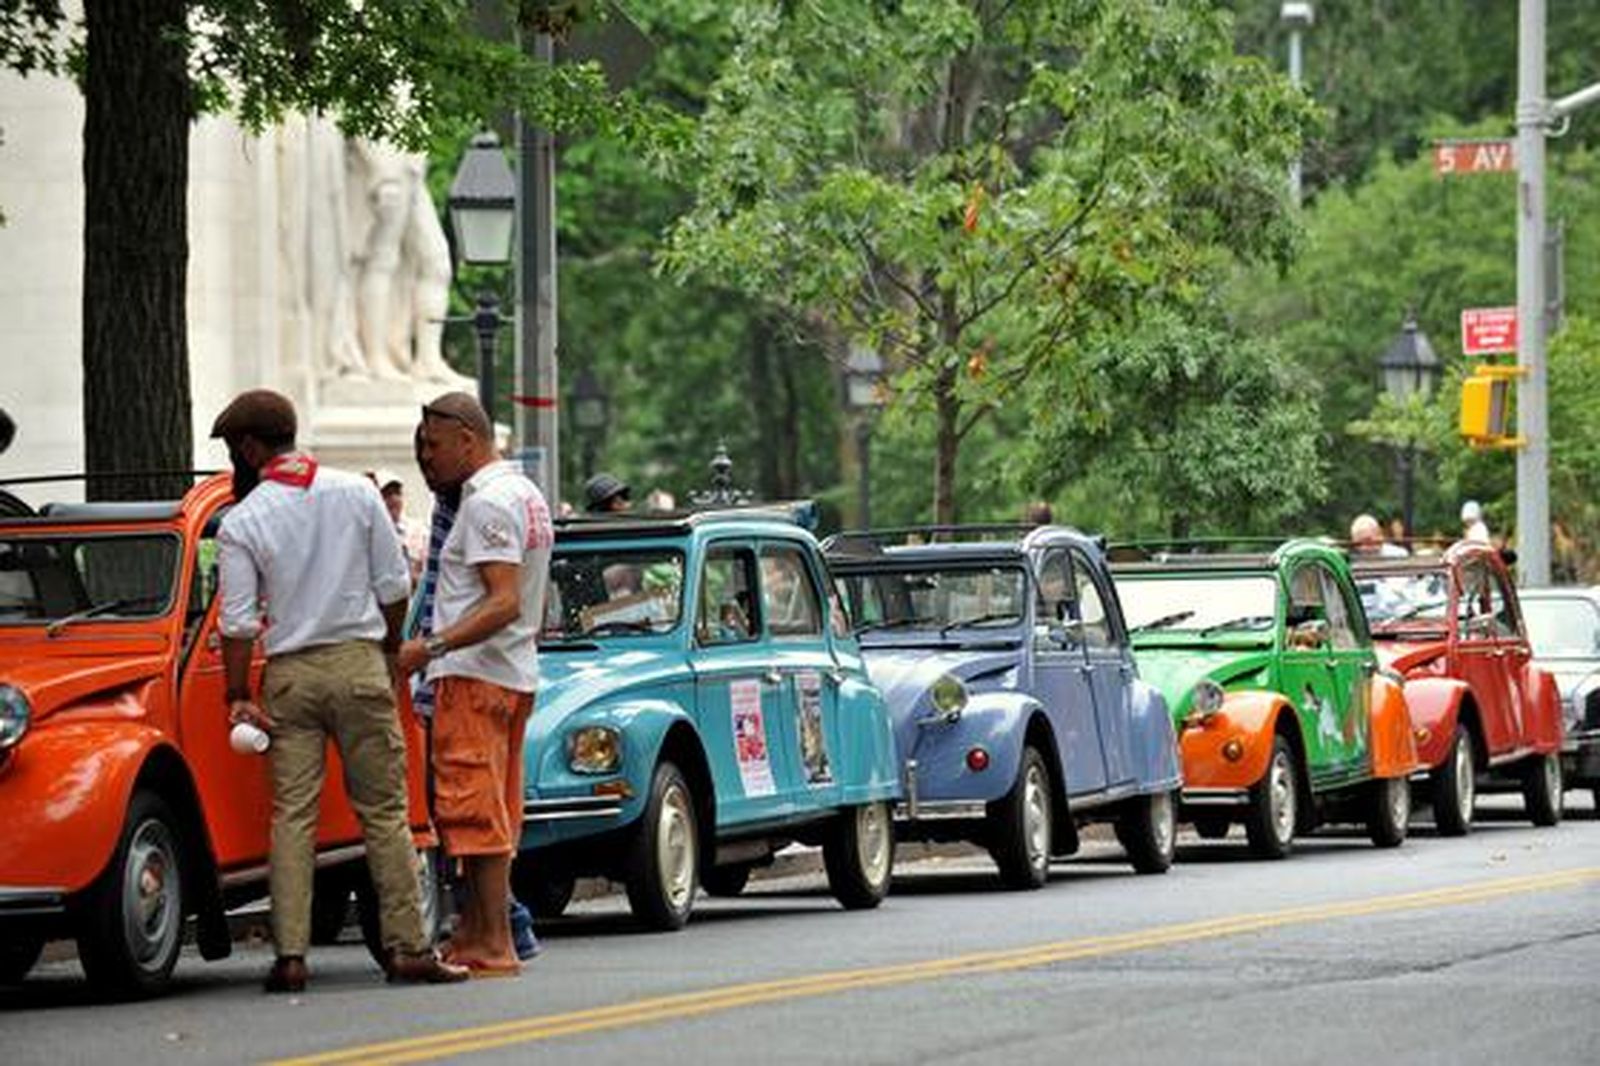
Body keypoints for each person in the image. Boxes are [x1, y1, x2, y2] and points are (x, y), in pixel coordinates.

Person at [211, 388, 467, 993]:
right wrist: (386, 649)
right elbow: (393, 584)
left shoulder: (244, 520)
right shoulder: (355, 492)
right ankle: (408, 947)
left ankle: (291, 956)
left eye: (233, 450)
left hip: (291, 675)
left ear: (250, 448)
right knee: (384, 813)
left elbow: (239, 623)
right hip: (358, 665)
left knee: (291, 817)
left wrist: (236, 694)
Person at [398, 392, 553, 977]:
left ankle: (493, 942)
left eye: (433, 446)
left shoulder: (487, 503)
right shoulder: (524, 494)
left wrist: (427, 647)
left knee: (471, 810)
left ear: (468, 438)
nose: (426, 459)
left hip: (475, 676)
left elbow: (504, 601)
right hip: (508, 673)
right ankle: (483, 933)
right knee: (496, 809)